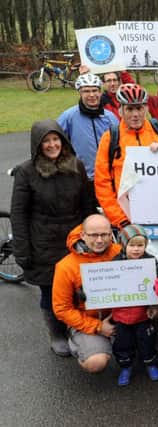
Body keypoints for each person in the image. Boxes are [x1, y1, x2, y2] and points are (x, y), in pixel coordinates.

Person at [10, 119, 95, 357]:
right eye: (46, 141)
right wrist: (22, 249)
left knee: (79, 289)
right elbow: (18, 213)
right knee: (50, 293)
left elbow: (87, 205)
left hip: (75, 238)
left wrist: (92, 236)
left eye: (55, 139)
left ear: (63, 140)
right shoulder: (26, 172)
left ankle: (78, 328)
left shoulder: (77, 166)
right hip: (43, 241)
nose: (51, 144)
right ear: (38, 144)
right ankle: (56, 332)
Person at [94, 83, 158, 229]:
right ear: (120, 110)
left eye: (139, 108)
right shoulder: (110, 137)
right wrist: (121, 220)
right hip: (126, 215)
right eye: (129, 109)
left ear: (146, 109)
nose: (135, 114)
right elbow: (103, 184)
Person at [52, 214, 121, 373]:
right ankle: (85, 346)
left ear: (111, 234)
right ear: (83, 235)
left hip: (121, 316)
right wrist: (97, 327)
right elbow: (62, 309)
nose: (99, 240)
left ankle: (150, 349)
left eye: (104, 234)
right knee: (95, 363)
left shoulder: (120, 252)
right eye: (93, 235)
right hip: (88, 321)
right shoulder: (65, 267)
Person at [112, 225, 158, 386]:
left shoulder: (150, 261)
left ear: (146, 245)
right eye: (132, 245)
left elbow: (157, 283)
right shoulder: (115, 263)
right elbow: (106, 284)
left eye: (140, 245)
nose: (136, 249)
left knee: (147, 340)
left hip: (143, 314)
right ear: (123, 244)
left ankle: (150, 363)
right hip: (122, 314)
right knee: (123, 343)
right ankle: (126, 367)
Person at [57, 73, 119, 198]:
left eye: (95, 90)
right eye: (86, 91)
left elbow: (120, 144)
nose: (91, 95)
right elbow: (54, 141)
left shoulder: (110, 117)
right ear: (80, 93)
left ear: (100, 92)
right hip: (80, 178)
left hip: (107, 178)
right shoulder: (68, 116)